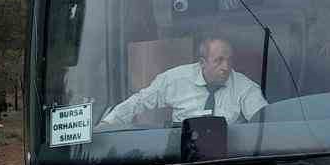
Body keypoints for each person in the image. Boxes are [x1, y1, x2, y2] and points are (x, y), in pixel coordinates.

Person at [98, 36, 267, 127]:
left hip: (229, 161)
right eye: (219, 60)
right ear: (202, 63)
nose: (226, 67)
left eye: (229, 60)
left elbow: (264, 123)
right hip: (180, 159)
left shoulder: (245, 88)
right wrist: (108, 124)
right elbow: (139, 101)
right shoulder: (175, 79)